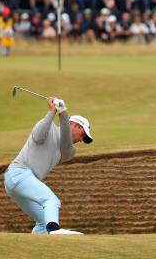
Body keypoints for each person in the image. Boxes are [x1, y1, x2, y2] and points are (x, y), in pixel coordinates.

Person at [5, 97, 93, 235]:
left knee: (43, 221)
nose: (82, 140)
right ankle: (54, 230)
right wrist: (53, 112)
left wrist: (63, 113)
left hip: (18, 182)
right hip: (18, 173)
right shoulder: (48, 127)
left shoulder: (69, 151)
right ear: (75, 125)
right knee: (51, 200)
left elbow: (64, 140)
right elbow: (38, 136)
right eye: (83, 134)